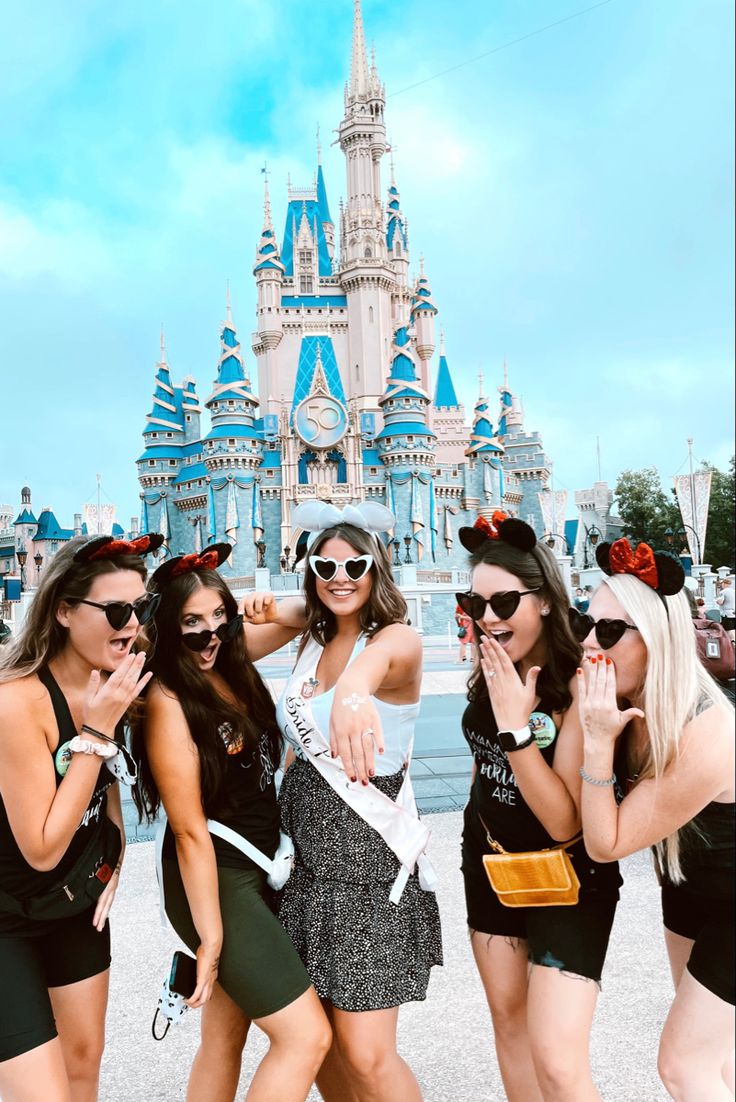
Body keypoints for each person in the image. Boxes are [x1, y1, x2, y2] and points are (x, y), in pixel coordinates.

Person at [245, 502, 441, 1102]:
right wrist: (285, 605)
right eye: (324, 566)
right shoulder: (311, 639)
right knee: (324, 1043)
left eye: (356, 565)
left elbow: (385, 659)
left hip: (367, 870)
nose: (341, 576)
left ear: (378, 568)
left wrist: (354, 688)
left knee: (368, 1053)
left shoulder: (397, 640)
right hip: (305, 871)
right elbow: (227, 650)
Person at [131, 544, 330, 1102]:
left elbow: (308, 615)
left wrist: (252, 608)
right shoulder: (169, 697)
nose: (208, 635)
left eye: (218, 617)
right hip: (214, 876)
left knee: (224, 1039)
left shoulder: (228, 658)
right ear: (167, 628)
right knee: (305, 1037)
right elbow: (189, 829)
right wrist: (211, 934)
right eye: (191, 623)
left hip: (258, 865)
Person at [457, 511, 621, 1102]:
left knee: (556, 1059)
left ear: (546, 601)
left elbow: (564, 820)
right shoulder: (492, 665)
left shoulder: (578, 680)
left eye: (503, 603)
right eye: (474, 605)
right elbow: (484, 764)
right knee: (509, 1023)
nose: (488, 619)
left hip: (570, 876)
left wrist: (513, 727)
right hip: (492, 864)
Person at [0, 533, 160, 1102]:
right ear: (64, 611)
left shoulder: (118, 674)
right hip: (7, 916)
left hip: (74, 906)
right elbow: (41, 846)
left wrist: (112, 856)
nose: (133, 623)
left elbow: (107, 786)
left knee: (82, 1069)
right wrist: (95, 732)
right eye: (117, 610)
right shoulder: (17, 702)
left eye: (141, 609)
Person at [576, 538, 734, 1101]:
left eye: (612, 632)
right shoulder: (630, 700)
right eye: (586, 624)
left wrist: (596, 744)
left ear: (657, 640)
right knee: (722, 1062)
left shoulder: (705, 731)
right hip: (689, 889)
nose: (591, 642)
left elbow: (606, 842)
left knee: (683, 1065)